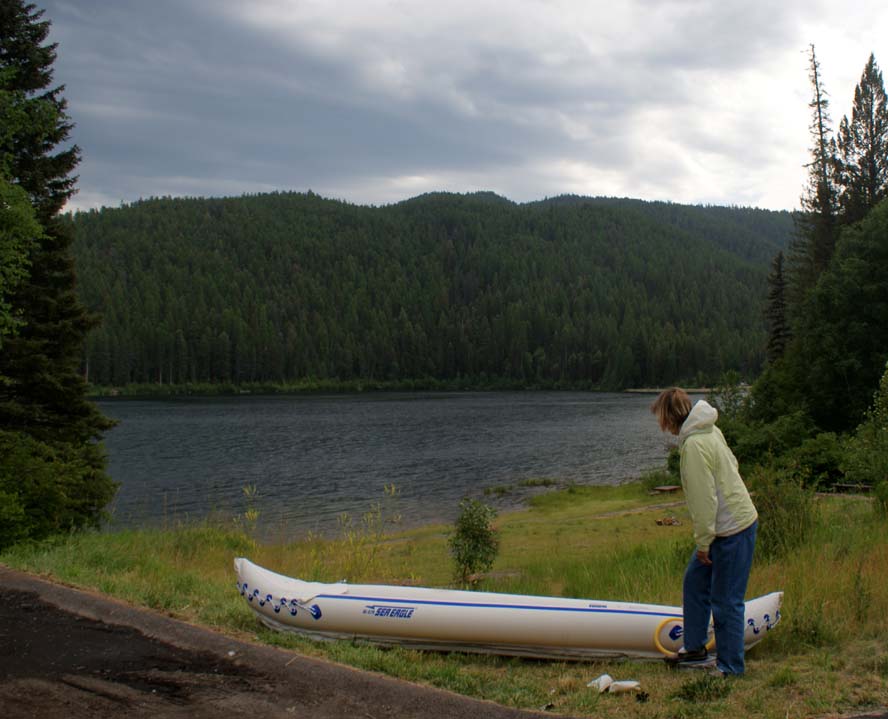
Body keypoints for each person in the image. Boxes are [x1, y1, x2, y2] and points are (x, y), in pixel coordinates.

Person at [650, 388, 758, 677]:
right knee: (695, 582)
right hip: (726, 527)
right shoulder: (708, 429)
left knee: (726, 602)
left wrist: (703, 543)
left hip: (733, 529)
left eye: (660, 418)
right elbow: (732, 464)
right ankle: (696, 647)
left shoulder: (695, 445)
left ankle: (730, 668)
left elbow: (703, 500)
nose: (661, 425)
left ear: (669, 417)